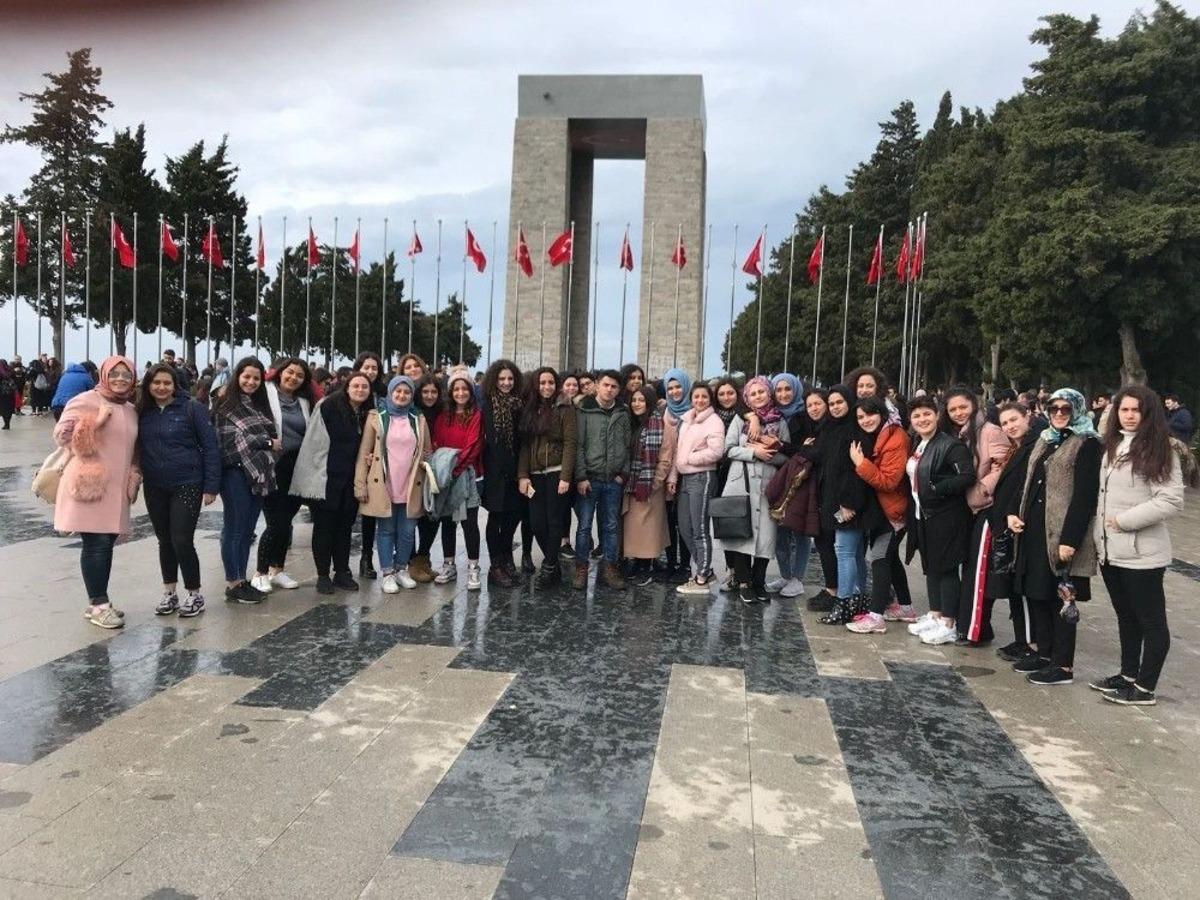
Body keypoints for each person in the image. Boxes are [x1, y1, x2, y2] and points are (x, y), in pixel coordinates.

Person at [1089, 385, 1189, 705]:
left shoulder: (1161, 449)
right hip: (1111, 550)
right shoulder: (1113, 445)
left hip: (1142, 553)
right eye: (1124, 409)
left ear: (1149, 414)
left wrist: (1124, 521)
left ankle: (1145, 688)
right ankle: (1128, 674)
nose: (1130, 416)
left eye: (1136, 410)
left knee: (1151, 621)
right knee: (1126, 616)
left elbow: (1171, 501)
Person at [1006, 388, 1101, 685]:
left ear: (1077, 410)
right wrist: (1013, 513)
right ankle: (1044, 653)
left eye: (1066, 409)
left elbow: (1085, 496)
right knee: (1037, 592)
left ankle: (1063, 666)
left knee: (1060, 599)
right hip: (1034, 530)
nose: (1059, 413)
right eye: (1054, 408)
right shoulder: (1046, 438)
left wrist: (1070, 540)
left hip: (1062, 535)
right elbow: (1026, 482)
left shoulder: (1087, 443)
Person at [52, 356, 140, 629]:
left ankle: (99, 600)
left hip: (117, 487)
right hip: (90, 484)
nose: (120, 380)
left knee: (107, 541)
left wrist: (135, 474)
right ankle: (98, 603)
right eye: (115, 374)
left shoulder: (130, 408)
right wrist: (96, 421)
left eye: (127, 375)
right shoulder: (86, 400)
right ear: (103, 375)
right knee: (97, 543)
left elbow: (134, 447)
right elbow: (62, 436)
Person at [136, 363, 220, 617]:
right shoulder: (142, 412)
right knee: (165, 540)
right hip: (155, 485)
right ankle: (170, 592)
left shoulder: (192, 408)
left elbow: (211, 447)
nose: (161, 387)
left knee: (181, 539)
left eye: (167, 383)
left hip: (188, 483)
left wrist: (211, 486)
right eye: (156, 383)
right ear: (148, 385)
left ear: (175, 385)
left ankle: (194, 594)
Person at [938, 388, 1010, 646]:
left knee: (978, 572)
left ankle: (974, 630)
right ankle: (971, 624)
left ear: (974, 405)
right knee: (969, 567)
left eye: (962, 407)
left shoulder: (990, 430)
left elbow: (1004, 464)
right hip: (963, 510)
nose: (958, 413)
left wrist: (983, 488)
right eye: (952, 409)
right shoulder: (954, 434)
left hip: (985, 508)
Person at [906, 395, 975, 645]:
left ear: (936, 416)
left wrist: (937, 488)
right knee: (931, 566)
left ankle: (949, 622)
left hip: (946, 516)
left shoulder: (950, 445)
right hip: (923, 514)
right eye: (916, 416)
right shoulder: (920, 443)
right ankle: (935, 614)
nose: (922, 419)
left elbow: (967, 476)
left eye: (927, 414)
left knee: (946, 569)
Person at [717, 376, 790, 605]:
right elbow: (728, 449)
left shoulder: (780, 421)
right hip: (742, 482)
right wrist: (752, 453)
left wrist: (770, 451)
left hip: (769, 484)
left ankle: (759, 581)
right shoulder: (741, 419)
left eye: (762, 392)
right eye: (753, 393)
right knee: (741, 533)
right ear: (747, 397)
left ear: (769, 394)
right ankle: (744, 582)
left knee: (766, 536)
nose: (758, 397)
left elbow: (786, 456)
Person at [355, 375, 431, 592]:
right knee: (386, 530)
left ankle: (401, 568)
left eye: (407, 392)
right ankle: (387, 572)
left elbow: (427, 451)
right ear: (390, 392)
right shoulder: (376, 416)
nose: (402, 395)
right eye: (398, 391)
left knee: (408, 530)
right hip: (384, 482)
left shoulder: (419, 418)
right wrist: (360, 485)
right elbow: (364, 453)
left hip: (411, 483)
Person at [213, 357, 278, 604]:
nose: (250, 382)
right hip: (235, 472)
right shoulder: (224, 405)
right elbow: (228, 442)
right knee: (234, 528)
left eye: (256, 378)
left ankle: (241, 578)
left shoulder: (259, 405)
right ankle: (234, 581)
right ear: (236, 376)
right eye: (246, 376)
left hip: (260, 474)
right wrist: (267, 443)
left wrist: (267, 442)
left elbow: (271, 433)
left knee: (248, 530)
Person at [844, 396, 911, 634]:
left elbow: (889, 481)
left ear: (882, 413)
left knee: (880, 558)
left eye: (870, 414)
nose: (865, 420)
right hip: (884, 509)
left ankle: (875, 617)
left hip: (894, 511)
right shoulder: (883, 435)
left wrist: (861, 463)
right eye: (860, 417)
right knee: (891, 559)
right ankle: (905, 607)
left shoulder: (895, 438)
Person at [251, 357, 315, 594]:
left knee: (286, 521)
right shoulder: (264, 394)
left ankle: (277, 570)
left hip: (297, 468)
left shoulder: (304, 402)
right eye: (290, 373)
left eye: (299, 375)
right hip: (272, 466)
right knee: (275, 522)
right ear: (280, 372)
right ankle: (259, 572)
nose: (293, 378)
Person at [990, 401, 1041, 662]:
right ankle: (1023, 639)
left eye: (1013, 420)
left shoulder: (1035, 448)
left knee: (1023, 589)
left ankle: (1032, 643)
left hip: (1021, 525)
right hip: (1008, 524)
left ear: (1027, 417)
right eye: (1005, 423)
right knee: (1013, 588)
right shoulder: (1016, 449)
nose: (1010, 426)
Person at [572, 369, 632, 591]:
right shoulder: (584, 410)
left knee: (611, 526)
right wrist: (580, 476)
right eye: (606, 385)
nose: (609, 390)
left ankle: (610, 567)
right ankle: (581, 567)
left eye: (614, 387)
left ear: (618, 390)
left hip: (613, 480)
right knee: (584, 526)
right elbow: (578, 445)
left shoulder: (622, 413)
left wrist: (622, 474)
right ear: (597, 385)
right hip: (589, 479)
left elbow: (627, 446)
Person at [518, 367, 577, 588]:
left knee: (554, 522)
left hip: (556, 471)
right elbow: (526, 444)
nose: (546, 387)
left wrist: (565, 476)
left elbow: (571, 443)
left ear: (557, 384)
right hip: (534, 473)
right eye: (542, 383)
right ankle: (554, 563)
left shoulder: (565, 407)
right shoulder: (530, 408)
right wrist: (523, 475)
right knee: (536, 524)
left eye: (551, 382)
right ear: (536, 384)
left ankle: (549, 567)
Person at [668, 382, 726, 595]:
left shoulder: (714, 421)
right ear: (691, 399)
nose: (700, 400)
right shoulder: (686, 420)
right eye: (696, 397)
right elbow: (677, 452)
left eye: (704, 397)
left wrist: (689, 458)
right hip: (685, 479)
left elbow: (716, 451)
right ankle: (705, 568)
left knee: (700, 527)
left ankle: (701, 577)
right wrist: (673, 476)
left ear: (709, 399)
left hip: (703, 477)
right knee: (684, 526)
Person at [430, 369, 485, 590]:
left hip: (466, 475)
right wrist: (445, 469)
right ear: (451, 391)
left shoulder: (476, 416)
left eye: (464, 388)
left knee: (469, 522)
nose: (460, 393)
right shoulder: (443, 417)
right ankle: (449, 563)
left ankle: (473, 567)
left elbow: (474, 446)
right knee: (447, 522)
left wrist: (455, 468)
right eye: (456, 388)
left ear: (471, 391)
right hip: (446, 475)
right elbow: (436, 444)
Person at [623, 385, 675, 585]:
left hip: (649, 486)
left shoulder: (662, 425)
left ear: (650, 402)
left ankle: (647, 566)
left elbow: (665, 458)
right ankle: (635, 562)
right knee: (634, 528)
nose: (637, 404)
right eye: (634, 400)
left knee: (648, 530)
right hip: (631, 484)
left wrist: (654, 483)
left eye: (641, 400)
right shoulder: (633, 423)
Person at [480, 360, 525, 587]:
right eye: (501, 379)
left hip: (516, 470)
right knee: (495, 518)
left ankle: (507, 558)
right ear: (494, 381)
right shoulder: (486, 403)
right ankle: (495, 565)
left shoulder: (520, 404)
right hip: (494, 472)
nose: (506, 383)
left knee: (513, 516)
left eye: (509, 379)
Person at [767, 373, 810, 597]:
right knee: (780, 527)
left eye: (787, 389)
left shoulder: (805, 416)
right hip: (778, 479)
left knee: (801, 529)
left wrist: (781, 446)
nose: (783, 394)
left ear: (796, 390)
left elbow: (806, 451)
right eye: (779, 390)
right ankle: (785, 574)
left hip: (801, 479)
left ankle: (798, 578)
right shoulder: (770, 415)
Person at [351, 351, 389, 579]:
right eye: (366, 367)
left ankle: (367, 557)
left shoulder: (384, 395)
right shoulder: (352, 390)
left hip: (376, 458)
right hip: (353, 453)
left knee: (370, 511)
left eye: (374, 368)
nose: (370, 371)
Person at [407, 374, 443, 583]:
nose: (430, 396)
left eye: (434, 392)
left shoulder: (442, 413)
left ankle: (423, 557)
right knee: (412, 516)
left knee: (432, 516)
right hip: (413, 472)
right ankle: (411, 561)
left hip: (434, 472)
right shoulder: (412, 413)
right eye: (425, 391)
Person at [659, 368, 692, 582]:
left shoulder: (695, 411)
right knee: (669, 521)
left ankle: (685, 566)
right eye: (670, 388)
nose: (674, 391)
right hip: (667, 475)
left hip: (688, 474)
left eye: (678, 386)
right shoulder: (665, 412)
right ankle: (670, 562)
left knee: (685, 523)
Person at [0, 360, 16, 429]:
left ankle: (6, 424)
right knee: (8, 408)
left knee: (3, 409)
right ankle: (7, 423)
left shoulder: (1, 372)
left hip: (2, 393)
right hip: (10, 393)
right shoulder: (11, 371)